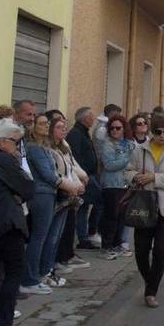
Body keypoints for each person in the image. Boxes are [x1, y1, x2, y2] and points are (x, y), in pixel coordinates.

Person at [127, 112, 164, 308]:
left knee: (160, 250)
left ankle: (151, 292)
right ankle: (150, 279)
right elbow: (128, 171)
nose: (162, 136)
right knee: (142, 251)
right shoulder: (141, 150)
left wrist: (155, 177)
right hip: (144, 206)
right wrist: (136, 177)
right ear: (152, 132)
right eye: (158, 132)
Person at [0, 112, 31, 326]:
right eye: (15, 142)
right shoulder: (4, 159)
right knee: (13, 272)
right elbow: (26, 188)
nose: (17, 147)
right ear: (1, 141)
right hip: (6, 225)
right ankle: (2, 324)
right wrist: (15, 194)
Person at [42, 114, 87, 287]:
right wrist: (72, 186)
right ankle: (45, 270)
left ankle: (51, 268)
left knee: (57, 235)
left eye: (64, 127)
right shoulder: (49, 150)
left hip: (69, 195)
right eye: (59, 127)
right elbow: (56, 175)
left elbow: (71, 168)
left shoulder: (63, 148)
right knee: (50, 236)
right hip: (58, 195)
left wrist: (79, 181)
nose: (63, 130)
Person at [20, 114, 64, 296]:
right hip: (41, 195)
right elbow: (47, 174)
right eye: (42, 123)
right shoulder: (33, 148)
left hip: (48, 193)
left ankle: (36, 274)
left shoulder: (43, 147)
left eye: (47, 123)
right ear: (33, 127)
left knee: (44, 236)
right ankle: (30, 279)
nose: (46, 126)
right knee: (39, 236)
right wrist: (65, 184)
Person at [97, 114, 135, 260]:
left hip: (126, 184)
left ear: (124, 129)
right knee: (111, 216)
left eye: (118, 128)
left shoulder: (129, 143)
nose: (114, 131)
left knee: (122, 217)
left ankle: (117, 244)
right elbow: (109, 165)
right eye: (112, 128)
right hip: (112, 185)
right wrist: (127, 157)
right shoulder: (108, 144)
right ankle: (107, 246)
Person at [67, 107, 102, 252]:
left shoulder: (84, 132)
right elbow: (76, 157)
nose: (93, 119)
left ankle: (84, 237)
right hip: (85, 177)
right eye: (91, 117)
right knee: (98, 201)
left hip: (89, 175)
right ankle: (86, 235)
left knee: (84, 207)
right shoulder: (76, 134)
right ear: (84, 119)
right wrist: (82, 177)